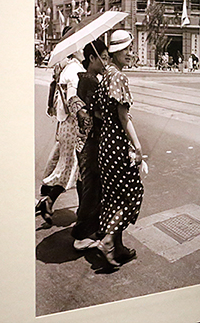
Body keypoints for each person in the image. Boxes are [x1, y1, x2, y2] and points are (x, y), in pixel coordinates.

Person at [94, 30, 144, 267]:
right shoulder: (119, 78)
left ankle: (119, 247)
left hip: (105, 146)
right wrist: (137, 145)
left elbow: (96, 111)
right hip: (118, 146)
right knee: (132, 194)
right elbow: (124, 117)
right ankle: (107, 241)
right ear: (115, 52)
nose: (129, 53)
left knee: (114, 196)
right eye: (125, 49)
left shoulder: (105, 76)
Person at [36, 51, 85, 224]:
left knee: (72, 169)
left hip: (67, 125)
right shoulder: (73, 71)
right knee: (74, 169)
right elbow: (72, 100)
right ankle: (52, 202)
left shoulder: (69, 68)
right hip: (72, 126)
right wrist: (83, 116)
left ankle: (54, 202)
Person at [70, 39, 109, 250]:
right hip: (91, 142)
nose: (105, 62)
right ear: (91, 58)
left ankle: (87, 224)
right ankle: (81, 235)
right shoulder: (91, 81)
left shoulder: (86, 78)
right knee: (92, 187)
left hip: (85, 140)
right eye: (102, 57)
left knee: (88, 183)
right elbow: (98, 112)